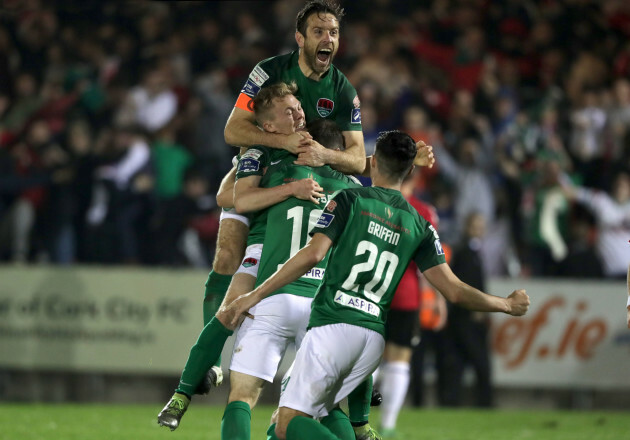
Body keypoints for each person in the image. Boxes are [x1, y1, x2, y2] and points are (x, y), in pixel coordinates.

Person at [225, 130, 530, 440]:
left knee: (286, 424)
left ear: (372, 164)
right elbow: (454, 290)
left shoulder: (349, 199)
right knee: (315, 417)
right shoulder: (420, 224)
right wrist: (505, 304)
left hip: (333, 325)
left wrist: (255, 294)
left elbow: (313, 255)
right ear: (411, 171)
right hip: (372, 339)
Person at [373, 171, 439, 437]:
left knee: (367, 359)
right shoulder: (424, 211)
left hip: (371, 289)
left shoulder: (374, 203)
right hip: (405, 293)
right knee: (399, 362)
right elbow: (430, 265)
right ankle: (387, 427)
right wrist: (437, 300)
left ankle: (346, 418)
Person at [441, 211, 493, 407]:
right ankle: (484, 404)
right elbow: (464, 286)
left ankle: (452, 403)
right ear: (467, 228)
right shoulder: (465, 254)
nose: (479, 230)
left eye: (481, 226)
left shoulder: (473, 253)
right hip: (466, 319)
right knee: (481, 364)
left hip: (467, 318)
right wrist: (476, 308)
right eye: (475, 226)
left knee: (459, 364)